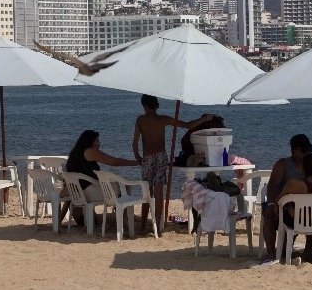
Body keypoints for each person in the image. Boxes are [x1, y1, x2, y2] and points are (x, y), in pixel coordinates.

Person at [132, 94, 216, 230]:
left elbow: (135, 141)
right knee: (159, 194)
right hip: (160, 157)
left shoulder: (140, 120)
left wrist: (137, 156)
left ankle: (142, 226)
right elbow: (188, 125)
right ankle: (157, 227)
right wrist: (205, 118)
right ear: (157, 105)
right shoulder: (163, 119)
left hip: (147, 158)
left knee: (147, 193)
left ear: (144, 106)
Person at [64, 129, 138, 225]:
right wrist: (136, 163)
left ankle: (126, 218)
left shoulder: (75, 155)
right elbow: (114, 162)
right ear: (89, 141)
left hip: (81, 213)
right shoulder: (89, 151)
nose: (99, 144)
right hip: (89, 202)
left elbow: (66, 200)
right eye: (97, 141)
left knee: (111, 214)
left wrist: (59, 222)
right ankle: (123, 221)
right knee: (124, 186)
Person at [259, 133, 312, 261]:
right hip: (280, 203)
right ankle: (271, 253)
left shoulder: (311, 165)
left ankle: (307, 251)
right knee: (269, 216)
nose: (306, 154)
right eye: (303, 151)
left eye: (308, 150)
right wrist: (271, 204)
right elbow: (272, 186)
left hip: (300, 206)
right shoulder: (283, 164)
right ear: (293, 150)